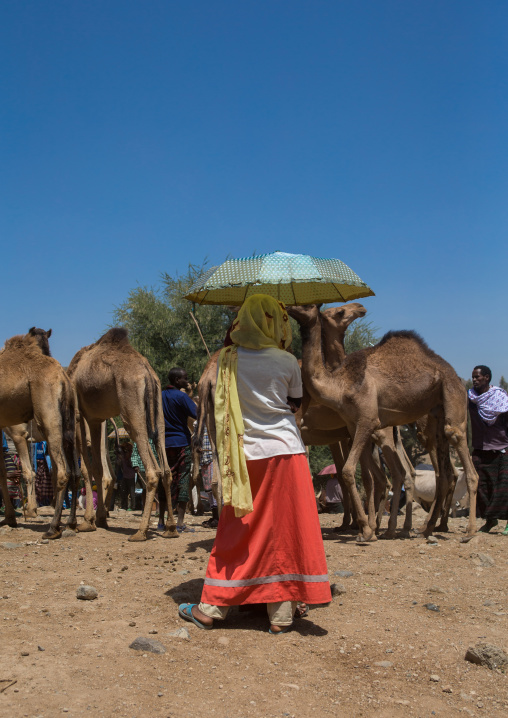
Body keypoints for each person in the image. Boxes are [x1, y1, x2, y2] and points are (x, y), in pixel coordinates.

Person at [178, 294, 331, 634]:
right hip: (287, 454)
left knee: (237, 529)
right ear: (276, 323)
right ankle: (280, 615)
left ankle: (213, 607)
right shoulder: (288, 360)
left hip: (244, 455)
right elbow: (294, 404)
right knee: (284, 532)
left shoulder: (226, 359)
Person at [468, 365, 508, 534]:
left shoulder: (501, 398)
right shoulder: (470, 398)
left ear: (487, 378)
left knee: (504, 488)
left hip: (502, 448)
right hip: (480, 448)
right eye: (473, 377)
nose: (474, 380)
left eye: (477, 377)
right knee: (480, 486)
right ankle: (490, 520)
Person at [159, 367, 197, 532]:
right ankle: (180, 522)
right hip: (181, 443)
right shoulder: (181, 397)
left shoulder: (158, 396)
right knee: (182, 481)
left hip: (163, 445)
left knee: (164, 482)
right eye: (185, 379)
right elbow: (197, 413)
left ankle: (161, 521)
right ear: (176, 381)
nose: (187, 382)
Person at [199, 426, 219, 529]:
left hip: (213, 458)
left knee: (215, 488)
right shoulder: (198, 424)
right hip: (204, 459)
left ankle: (218, 517)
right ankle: (215, 516)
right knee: (209, 490)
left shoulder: (214, 421)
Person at [34, 441, 53, 507]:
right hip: (38, 464)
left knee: (47, 484)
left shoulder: (46, 442)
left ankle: (50, 502)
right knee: (37, 484)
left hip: (46, 464)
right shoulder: (35, 443)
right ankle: (39, 502)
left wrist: (50, 466)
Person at [119, 442, 137, 511]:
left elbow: (132, 464)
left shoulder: (132, 455)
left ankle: (133, 506)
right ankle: (124, 506)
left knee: (132, 492)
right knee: (124, 492)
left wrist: (128, 457)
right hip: (125, 475)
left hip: (131, 476)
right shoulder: (123, 455)